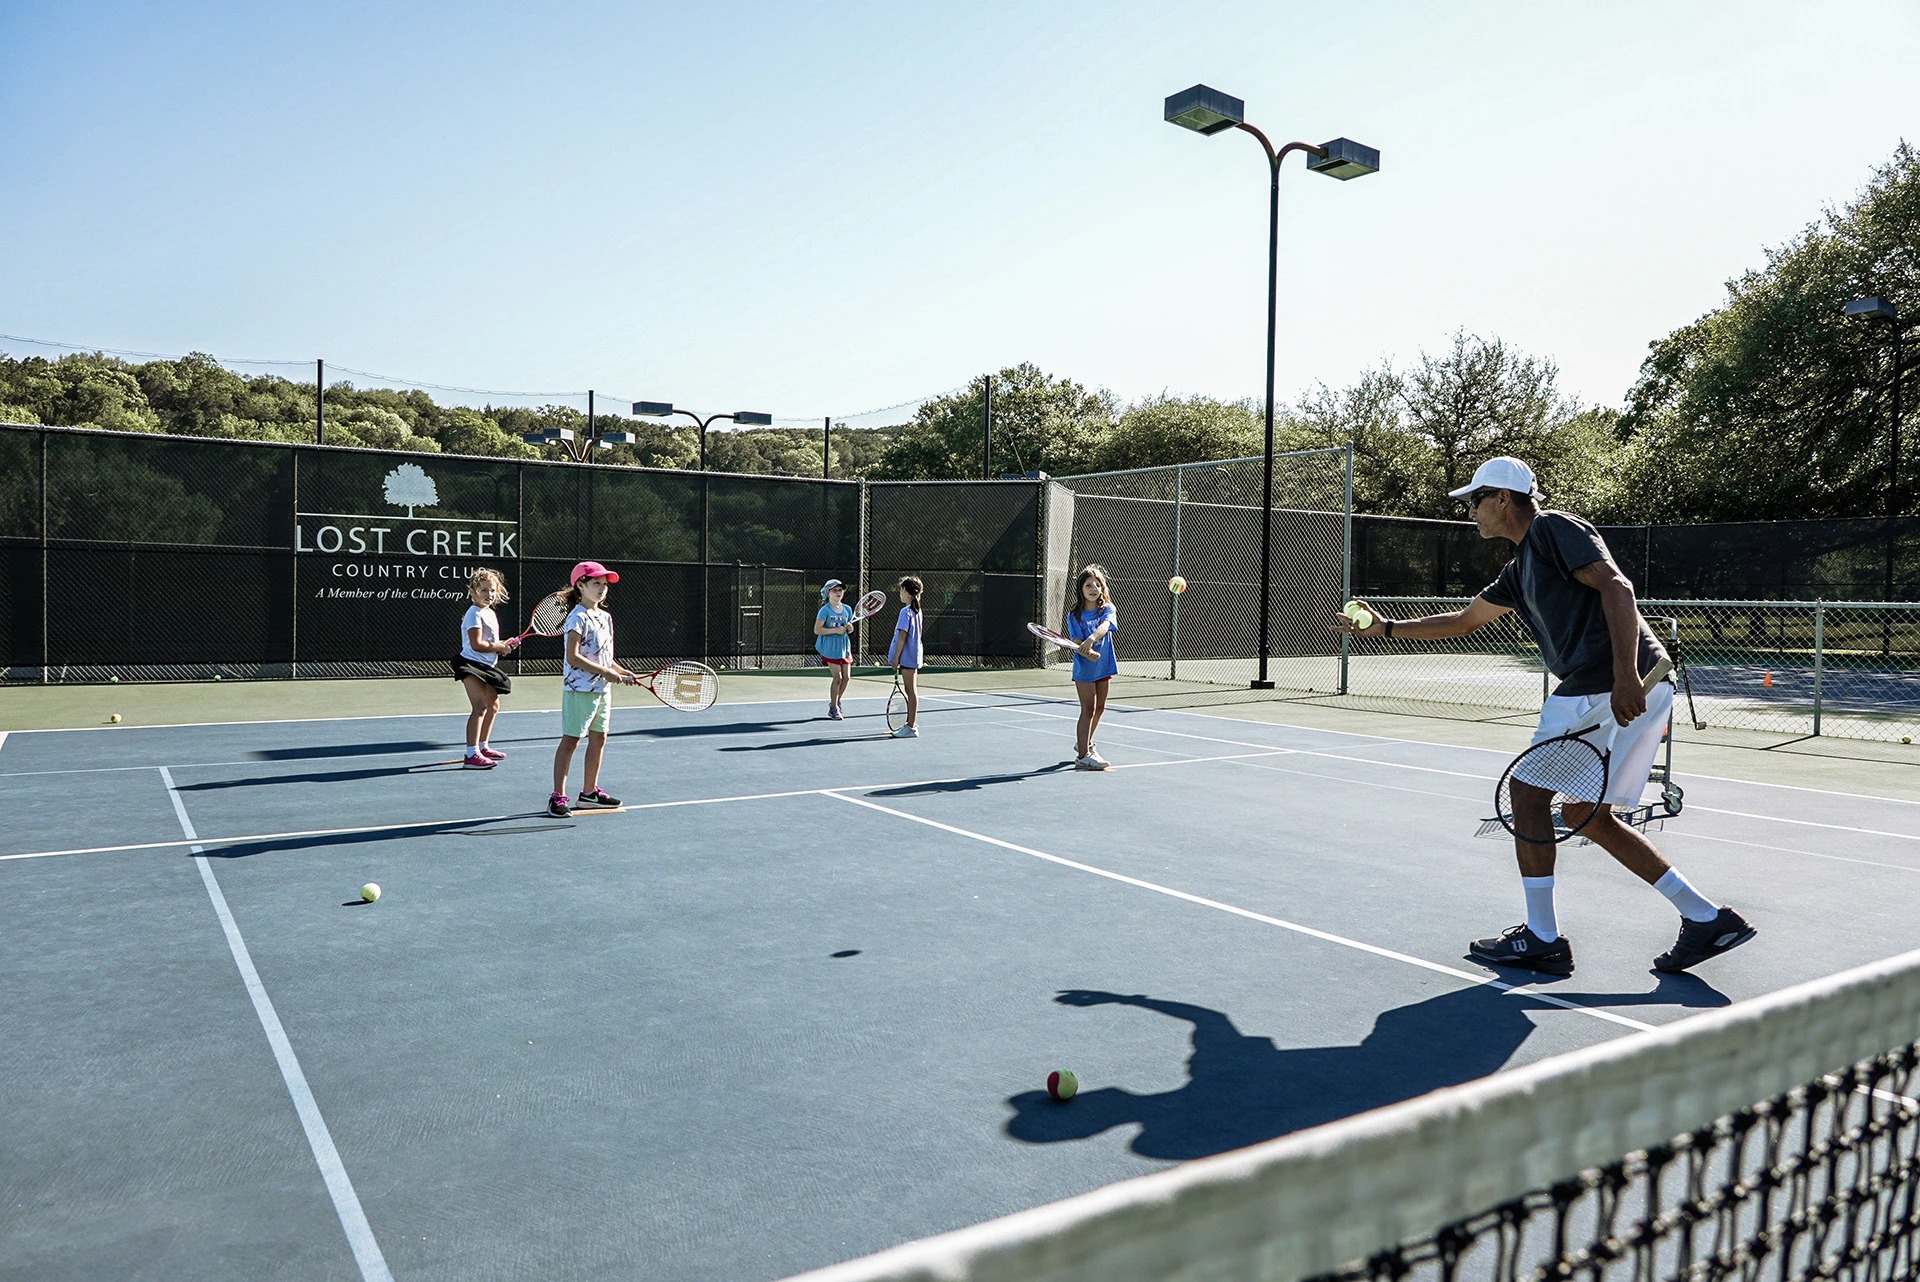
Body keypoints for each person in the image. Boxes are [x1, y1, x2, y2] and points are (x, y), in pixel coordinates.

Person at [1335, 456, 1754, 976]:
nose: (1471, 512)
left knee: (1528, 795)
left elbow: (1617, 589)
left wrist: (1624, 675)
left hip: (1607, 685)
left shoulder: (1555, 528)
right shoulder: (1519, 569)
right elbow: (1467, 621)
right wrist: (1387, 628)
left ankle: (1543, 939)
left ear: (1503, 499)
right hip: (1617, 685)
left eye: (1475, 500)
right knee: (1584, 814)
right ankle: (1706, 918)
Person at [549, 560, 639, 818]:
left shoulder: (605, 617)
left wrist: (619, 670)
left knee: (599, 738)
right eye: (596, 583)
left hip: (602, 690)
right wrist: (606, 672)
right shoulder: (576, 617)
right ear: (580, 585)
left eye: (604, 584)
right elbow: (573, 657)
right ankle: (557, 797)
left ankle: (589, 793)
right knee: (572, 741)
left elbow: (604, 656)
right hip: (580, 690)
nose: (602, 588)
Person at [450, 568, 517, 769]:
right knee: (480, 707)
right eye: (484, 590)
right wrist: (500, 647)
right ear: (473, 591)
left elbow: (491, 643)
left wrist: (504, 646)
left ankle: (483, 746)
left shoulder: (490, 613)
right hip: (470, 665)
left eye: (492, 590)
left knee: (493, 706)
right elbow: (477, 644)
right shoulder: (474, 614)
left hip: (487, 665)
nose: (489, 595)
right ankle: (471, 754)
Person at [1065, 565, 1119, 770]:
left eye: (1098, 584)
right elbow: (1077, 641)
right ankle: (1083, 756)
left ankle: (1085, 742)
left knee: (1100, 708)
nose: (1093, 588)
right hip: (1085, 669)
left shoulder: (1108, 609)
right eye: (1088, 585)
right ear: (1081, 589)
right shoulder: (1074, 615)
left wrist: (1092, 639)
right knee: (1087, 709)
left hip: (1104, 666)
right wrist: (1087, 651)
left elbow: (1105, 627)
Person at [888, 576, 924, 738]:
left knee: (911, 691)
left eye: (901, 590)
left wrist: (896, 658)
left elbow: (902, 637)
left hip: (907, 657)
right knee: (912, 691)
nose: (900, 594)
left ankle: (911, 726)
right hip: (913, 655)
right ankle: (911, 724)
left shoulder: (906, 612)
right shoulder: (917, 611)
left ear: (907, 592)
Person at [814, 579, 855, 720]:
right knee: (837, 678)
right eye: (835, 590)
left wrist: (850, 628)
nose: (838, 593)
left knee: (846, 678)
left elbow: (849, 627)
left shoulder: (848, 609)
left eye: (840, 590)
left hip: (844, 648)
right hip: (830, 648)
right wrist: (835, 630)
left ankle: (835, 702)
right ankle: (833, 708)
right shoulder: (824, 610)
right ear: (828, 593)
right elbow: (817, 629)